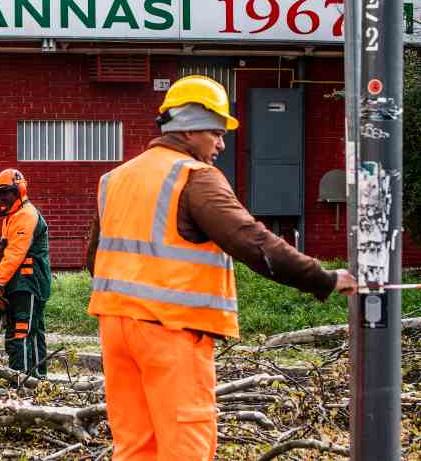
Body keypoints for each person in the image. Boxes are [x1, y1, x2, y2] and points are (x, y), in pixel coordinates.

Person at [86, 75, 358, 461]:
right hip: (172, 328)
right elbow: (253, 242)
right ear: (189, 128)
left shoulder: (115, 179)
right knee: (186, 443)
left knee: (135, 445)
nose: (220, 143)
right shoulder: (194, 177)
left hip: (115, 329)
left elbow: (93, 259)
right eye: (215, 132)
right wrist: (323, 277)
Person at [0, 169, 51, 378]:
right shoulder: (11, 217)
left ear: (19, 191)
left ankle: (21, 379)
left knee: (23, 331)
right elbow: (6, 257)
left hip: (30, 284)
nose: (2, 198)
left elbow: (15, 254)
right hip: (18, 284)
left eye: (6, 192)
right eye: (0, 193)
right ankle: (38, 377)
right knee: (32, 330)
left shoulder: (26, 215)